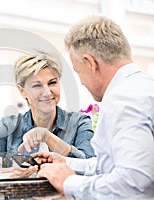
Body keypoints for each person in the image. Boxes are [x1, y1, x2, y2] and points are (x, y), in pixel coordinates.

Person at [25, 15, 154, 199]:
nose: (82, 83)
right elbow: (115, 165)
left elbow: (133, 183)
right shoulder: (144, 87)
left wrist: (69, 182)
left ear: (90, 63)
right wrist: (67, 164)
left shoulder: (123, 100)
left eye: (78, 71)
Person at [0, 51, 95, 176]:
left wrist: (48, 137)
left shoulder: (79, 122)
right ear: (22, 91)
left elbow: (90, 167)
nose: (47, 92)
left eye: (52, 83)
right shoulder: (8, 125)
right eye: (37, 85)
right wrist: (11, 172)